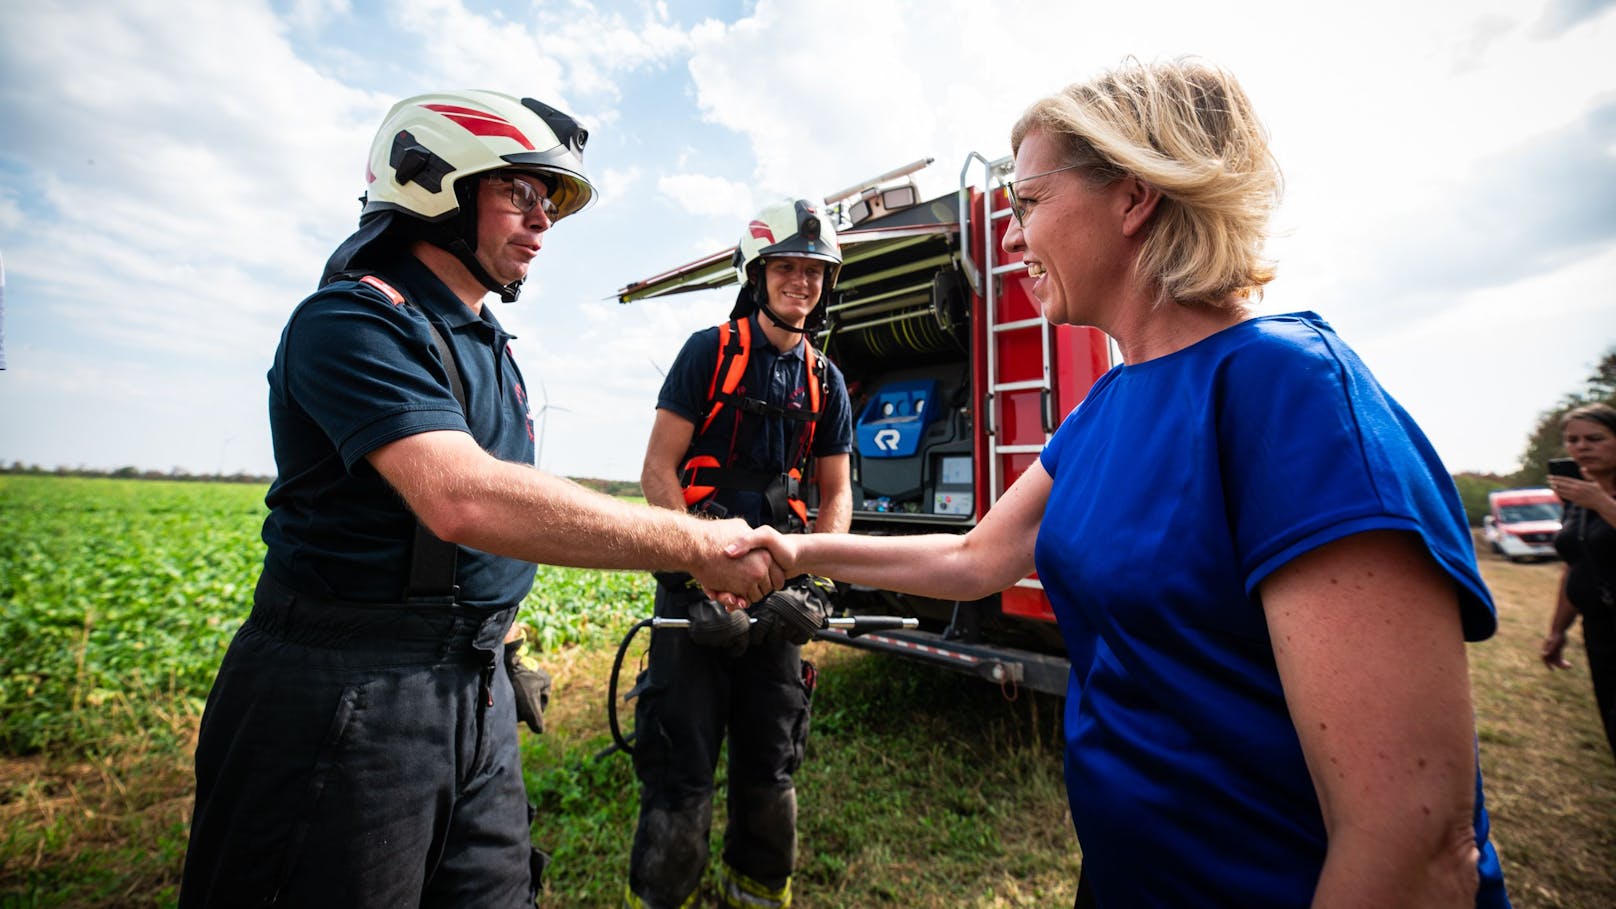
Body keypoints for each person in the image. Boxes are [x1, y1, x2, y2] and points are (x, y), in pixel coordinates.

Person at [731, 58, 1512, 908]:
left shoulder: (1292, 393)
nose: (1011, 238)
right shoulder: (1108, 404)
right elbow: (972, 557)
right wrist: (795, 547)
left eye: (1029, 203)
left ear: (1135, 197)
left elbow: (1414, 843)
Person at [178, 90, 782, 908]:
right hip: (350, 697)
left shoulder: (488, 344)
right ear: (436, 184)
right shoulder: (354, 320)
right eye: (521, 195)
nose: (541, 223)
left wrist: (490, 650)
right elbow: (465, 498)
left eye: (549, 205)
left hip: (474, 687)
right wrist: (697, 544)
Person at [624, 198, 854, 909]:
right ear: (757, 275)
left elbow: (837, 492)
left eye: (815, 271)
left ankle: (756, 892)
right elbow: (658, 470)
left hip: (775, 602)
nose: (803, 282)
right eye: (788, 267)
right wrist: (700, 573)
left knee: (770, 769)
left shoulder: (827, 380)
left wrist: (814, 583)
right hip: (694, 598)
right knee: (681, 772)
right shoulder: (708, 352)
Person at [1541, 402, 1616, 762]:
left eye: (1595, 438)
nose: (1581, 447)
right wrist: (1558, 630)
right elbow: (1575, 565)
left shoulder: (1591, 497)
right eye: (1572, 440)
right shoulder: (1576, 498)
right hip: (1600, 629)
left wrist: (1601, 502)